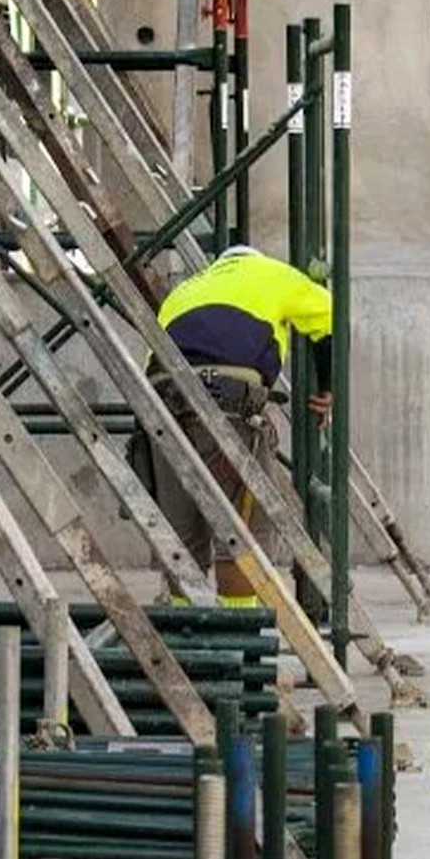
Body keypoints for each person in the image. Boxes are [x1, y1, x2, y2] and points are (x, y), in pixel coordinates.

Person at [138, 244, 333, 604]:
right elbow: (330, 320)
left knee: (182, 533)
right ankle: (239, 637)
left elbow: (150, 358)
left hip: (162, 399)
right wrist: (327, 388)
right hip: (228, 398)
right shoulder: (275, 274)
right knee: (240, 531)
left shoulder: (184, 292)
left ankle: (189, 636)